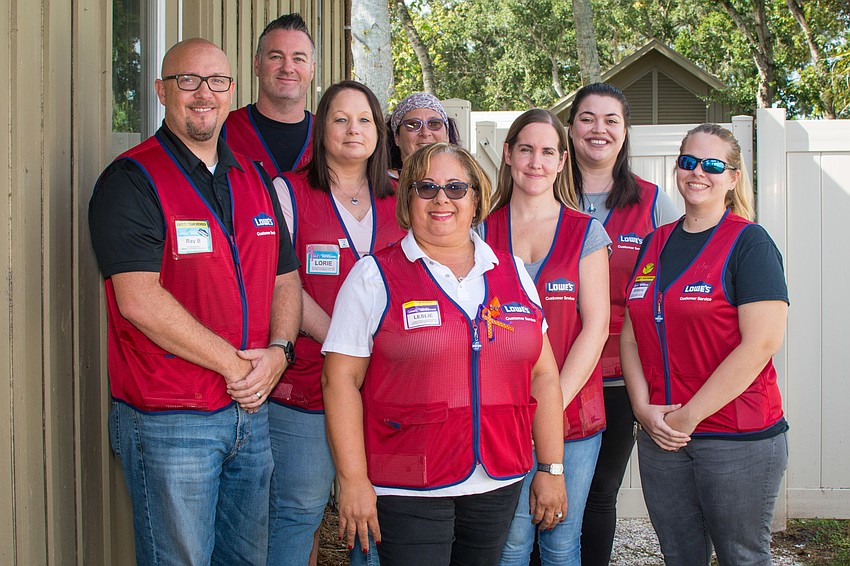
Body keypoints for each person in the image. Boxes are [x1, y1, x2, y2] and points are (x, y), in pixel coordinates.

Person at [88, 38, 302, 565]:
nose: (204, 94)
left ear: (233, 92)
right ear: (162, 91)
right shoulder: (131, 180)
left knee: (246, 558)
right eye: (188, 81)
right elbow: (139, 301)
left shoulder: (253, 179)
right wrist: (238, 366)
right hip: (171, 419)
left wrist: (279, 352)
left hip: (249, 415)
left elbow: (286, 279)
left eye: (217, 82)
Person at [321, 143, 567, 565]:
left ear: (476, 199)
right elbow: (339, 380)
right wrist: (353, 478)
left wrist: (551, 467)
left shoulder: (513, 274)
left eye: (456, 187)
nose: (441, 199)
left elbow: (543, 375)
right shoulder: (373, 276)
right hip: (408, 485)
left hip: (497, 479)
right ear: (407, 199)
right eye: (426, 187)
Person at [622, 123, 789, 565]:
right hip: (662, 434)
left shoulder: (749, 243)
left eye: (713, 164)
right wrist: (643, 409)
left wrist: (688, 416)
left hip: (736, 437)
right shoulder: (654, 242)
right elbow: (630, 333)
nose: (699, 172)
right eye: (689, 161)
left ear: (733, 177)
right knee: (680, 556)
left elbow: (762, 343)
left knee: (742, 557)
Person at [267, 80, 404, 565]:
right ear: (320, 127)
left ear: (379, 130)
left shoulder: (403, 195)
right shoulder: (288, 191)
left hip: (387, 393)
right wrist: (346, 344)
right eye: (340, 118)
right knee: (297, 510)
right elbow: (281, 282)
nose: (353, 129)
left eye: (364, 119)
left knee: (376, 516)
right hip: (305, 388)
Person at [481, 109, 610, 565]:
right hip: (504, 418)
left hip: (572, 415)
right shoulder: (479, 232)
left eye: (548, 151)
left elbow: (596, 327)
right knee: (510, 543)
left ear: (562, 162)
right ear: (509, 155)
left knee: (560, 541)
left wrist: (549, 405)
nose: (536, 161)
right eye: (526, 149)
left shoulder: (586, 232)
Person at [568, 82, 682, 566]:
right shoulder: (543, 190)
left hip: (616, 376)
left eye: (611, 119)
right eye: (587, 118)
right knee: (536, 486)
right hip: (547, 369)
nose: (599, 129)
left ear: (625, 131)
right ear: (570, 129)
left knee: (597, 493)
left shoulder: (655, 204)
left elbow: (672, 295)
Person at [223, 13, 314, 176]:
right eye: (276, 57)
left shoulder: (329, 135)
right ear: (257, 64)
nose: (287, 68)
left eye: (298, 59)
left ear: (312, 69)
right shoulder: (223, 132)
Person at [386, 92, 460, 178]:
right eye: (413, 124)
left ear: (447, 134)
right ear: (396, 137)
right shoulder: (379, 186)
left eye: (434, 123)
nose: (425, 133)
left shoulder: (467, 180)